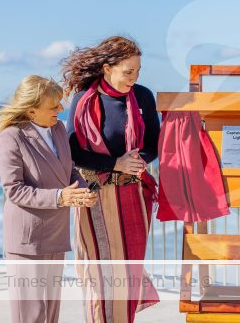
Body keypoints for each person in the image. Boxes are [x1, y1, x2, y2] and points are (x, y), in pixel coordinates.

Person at [62, 36, 161, 322]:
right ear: (107, 68)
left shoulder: (143, 96)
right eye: (128, 71)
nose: (135, 77)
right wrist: (115, 163)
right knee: (100, 274)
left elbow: (154, 143)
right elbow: (74, 152)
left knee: (127, 273)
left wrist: (139, 160)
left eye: (138, 71)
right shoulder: (82, 100)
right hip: (94, 196)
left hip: (133, 195)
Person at [0, 75, 98, 323]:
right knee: (31, 316)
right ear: (31, 110)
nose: (61, 110)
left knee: (50, 315)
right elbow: (14, 190)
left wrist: (81, 192)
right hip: (27, 241)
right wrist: (62, 197)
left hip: (55, 235)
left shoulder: (58, 129)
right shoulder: (11, 137)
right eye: (54, 106)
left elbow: (69, 170)